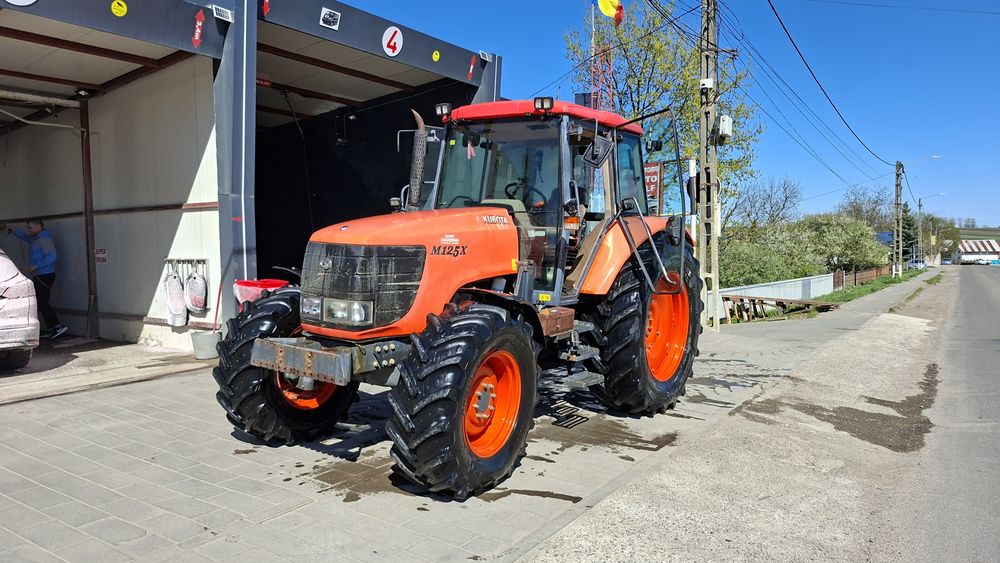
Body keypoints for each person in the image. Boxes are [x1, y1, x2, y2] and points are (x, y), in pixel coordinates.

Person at [1, 219, 68, 338]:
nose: (29, 230)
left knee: (42, 302)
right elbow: (25, 237)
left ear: (38, 227)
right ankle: (52, 327)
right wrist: (12, 230)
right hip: (39, 275)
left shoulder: (44, 239)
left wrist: (36, 266)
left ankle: (57, 326)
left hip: (45, 276)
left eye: (30, 227)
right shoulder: (36, 238)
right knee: (41, 302)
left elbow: (53, 256)